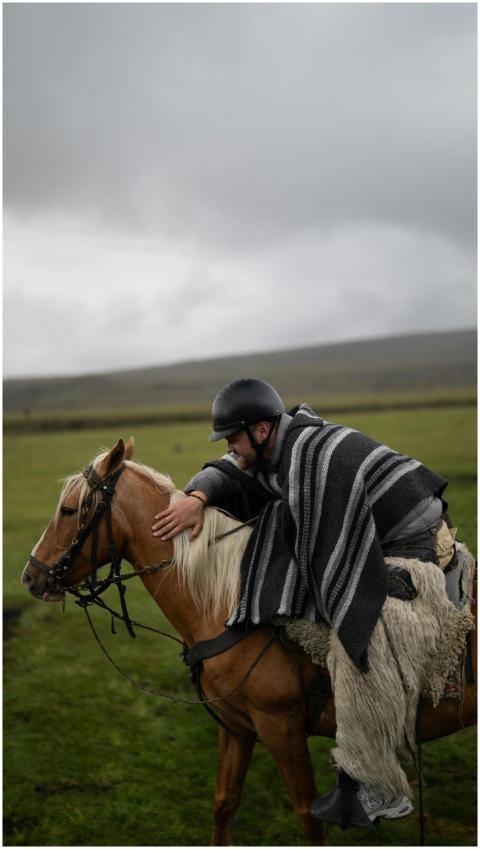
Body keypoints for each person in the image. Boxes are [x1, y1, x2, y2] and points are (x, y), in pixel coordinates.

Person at [152, 378, 454, 828]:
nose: (230, 447)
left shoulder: (311, 461)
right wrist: (197, 497)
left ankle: (378, 785)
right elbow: (230, 470)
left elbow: (327, 554)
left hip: (409, 535)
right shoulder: (281, 443)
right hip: (381, 519)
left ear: (261, 430)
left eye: (234, 437)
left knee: (357, 633)